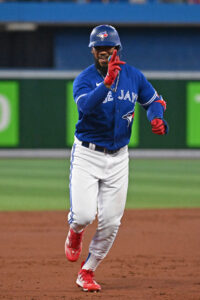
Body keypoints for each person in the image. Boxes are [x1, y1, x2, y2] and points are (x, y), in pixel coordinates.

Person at [65, 24, 168, 292]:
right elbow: (85, 108)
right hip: (87, 154)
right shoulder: (85, 79)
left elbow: (153, 100)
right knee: (84, 216)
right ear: (92, 49)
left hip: (119, 157)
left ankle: (87, 271)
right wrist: (107, 83)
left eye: (108, 46)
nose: (103, 51)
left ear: (116, 49)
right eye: (99, 47)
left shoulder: (133, 76)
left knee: (111, 222)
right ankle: (75, 231)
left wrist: (156, 117)